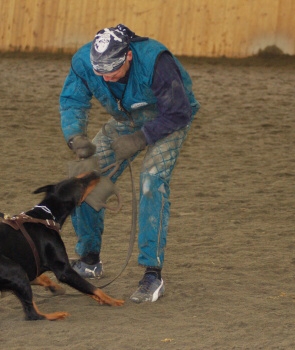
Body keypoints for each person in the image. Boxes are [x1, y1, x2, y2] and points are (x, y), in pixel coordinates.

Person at [59, 24, 200, 303]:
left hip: (168, 118)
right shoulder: (83, 61)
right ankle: (89, 257)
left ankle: (153, 274)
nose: (108, 79)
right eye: (102, 73)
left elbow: (179, 111)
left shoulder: (156, 61)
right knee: (83, 176)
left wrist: (141, 138)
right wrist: (75, 135)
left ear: (129, 57)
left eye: (114, 71)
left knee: (151, 180)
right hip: (128, 120)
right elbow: (73, 99)